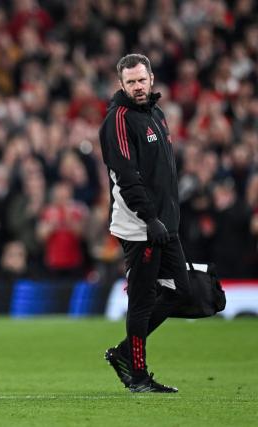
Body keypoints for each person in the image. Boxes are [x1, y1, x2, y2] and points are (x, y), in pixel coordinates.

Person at [99, 54, 191, 393]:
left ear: (151, 78)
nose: (138, 87)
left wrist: (165, 218)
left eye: (142, 80)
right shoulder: (118, 120)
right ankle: (137, 375)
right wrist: (149, 218)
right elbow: (127, 176)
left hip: (164, 224)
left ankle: (125, 352)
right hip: (140, 227)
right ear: (121, 84)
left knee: (182, 291)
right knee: (142, 300)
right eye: (131, 82)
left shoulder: (156, 114)